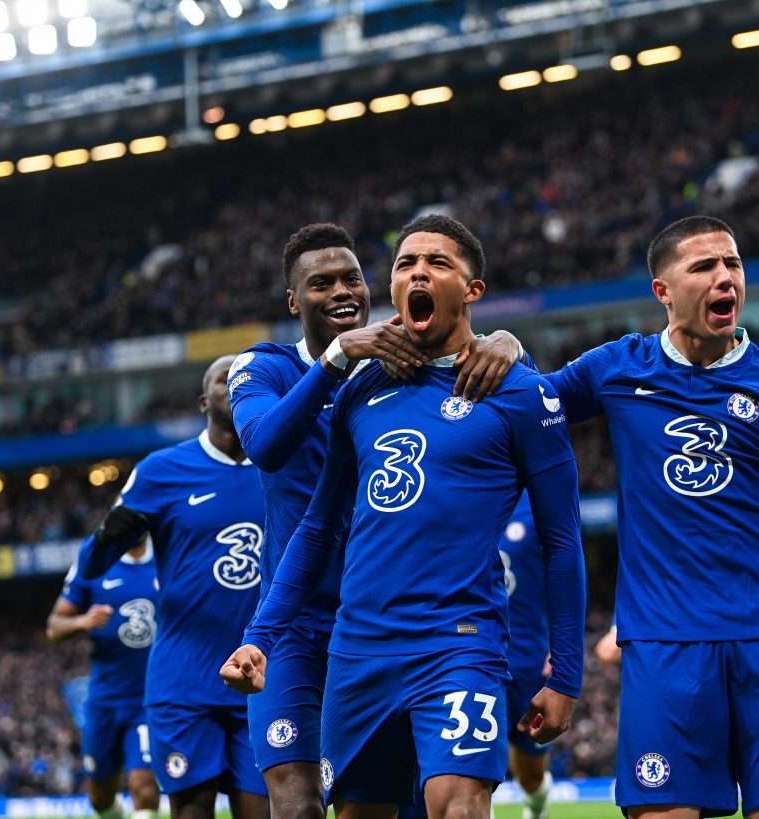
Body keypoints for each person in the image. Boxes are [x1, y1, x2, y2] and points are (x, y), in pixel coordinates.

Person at [221, 214, 586, 819]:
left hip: (457, 641)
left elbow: (561, 540)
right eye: (405, 264)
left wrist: (566, 673)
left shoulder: (518, 392)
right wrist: (260, 636)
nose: (418, 272)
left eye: (438, 263)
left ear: (472, 291)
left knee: (455, 807)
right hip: (353, 645)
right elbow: (315, 524)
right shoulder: (350, 388)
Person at [543, 215, 759, 819]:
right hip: (663, 633)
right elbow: (527, 402)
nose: (724, 277)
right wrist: (499, 346)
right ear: (663, 290)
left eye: (732, 264)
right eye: (704, 266)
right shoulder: (616, 367)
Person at [84, 355, 269, 819]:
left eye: (246, 374)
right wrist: (111, 531)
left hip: (262, 676)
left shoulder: (286, 464)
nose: (235, 381)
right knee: (190, 814)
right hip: (184, 680)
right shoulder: (161, 470)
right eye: (223, 378)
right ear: (205, 401)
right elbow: (92, 562)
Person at [47, 536, 161, 819]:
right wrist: (83, 621)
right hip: (105, 699)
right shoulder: (94, 562)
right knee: (99, 797)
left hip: (149, 698)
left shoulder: (168, 556)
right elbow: (53, 627)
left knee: (144, 788)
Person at [498, 494, 553, 819]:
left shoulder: (537, 503)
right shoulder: (463, 489)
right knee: (470, 770)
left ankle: (537, 807)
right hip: (472, 652)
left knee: (530, 776)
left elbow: (566, 571)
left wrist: (562, 646)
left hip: (528, 659)